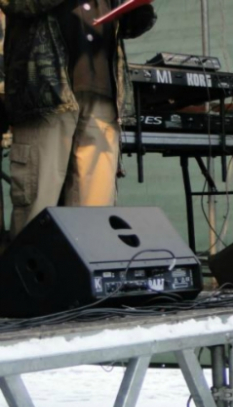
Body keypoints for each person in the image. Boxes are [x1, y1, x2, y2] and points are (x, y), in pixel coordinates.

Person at [0, 0, 157, 239]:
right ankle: (30, 274)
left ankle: (83, 274)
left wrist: (140, 8)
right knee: (38, 203)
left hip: (103, 95)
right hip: (47, 96)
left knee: (96, 214)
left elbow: (128, 27)